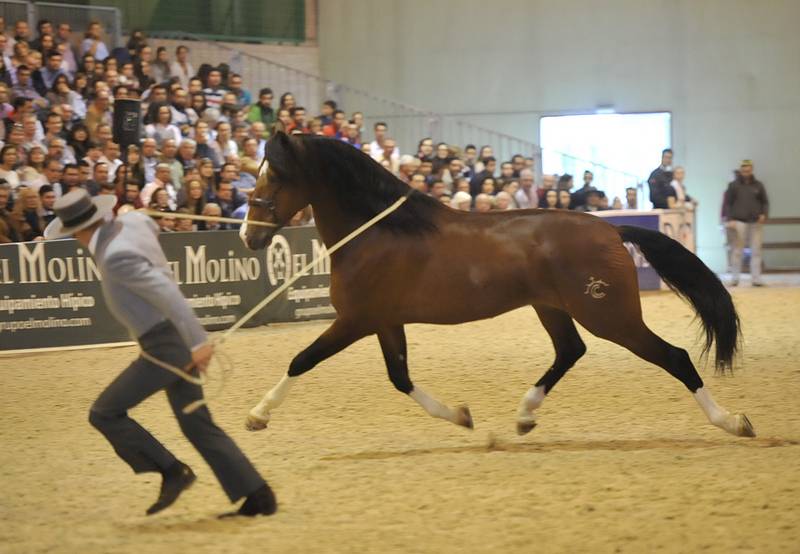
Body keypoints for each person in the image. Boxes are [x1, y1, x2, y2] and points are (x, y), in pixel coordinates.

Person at [43, 189, 277, 516]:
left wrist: (198, 341)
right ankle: (258, 496)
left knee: (104, 413)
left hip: (164, 345)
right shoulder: (134, 222)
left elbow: (166, 292)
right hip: (170, 338)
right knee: (196, 424)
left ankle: (171, 470)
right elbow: (146, 224)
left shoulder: (115, 254)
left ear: (79, 230)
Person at [724, 160, 769, 287]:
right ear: (741, 170)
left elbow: (765, 202)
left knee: (756, 251)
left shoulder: (759, 185)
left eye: (748, 170)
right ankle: (735, 278)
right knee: (737, 250)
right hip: (738, 221)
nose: (746, 173)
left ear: (752, 170)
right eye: (744, 170)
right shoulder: (733, 185)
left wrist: (764, 214)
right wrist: (730, 219)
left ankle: (756, 279)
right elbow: (728, 203)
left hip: (756, 222)